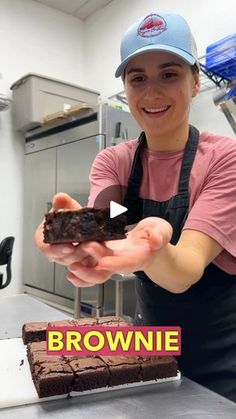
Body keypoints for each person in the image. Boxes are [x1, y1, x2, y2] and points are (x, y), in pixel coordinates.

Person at [35, 12, 236, 402]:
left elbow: (185, 270)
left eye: (169, 74)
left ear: (195, 81)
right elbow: (110, 217)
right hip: (153, 346)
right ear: (126, 88)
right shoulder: (114, 161)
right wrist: (74, 232)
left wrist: (153, 246)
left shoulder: (225, 158)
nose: (152, 93)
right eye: (138, 78)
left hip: (222, 359)